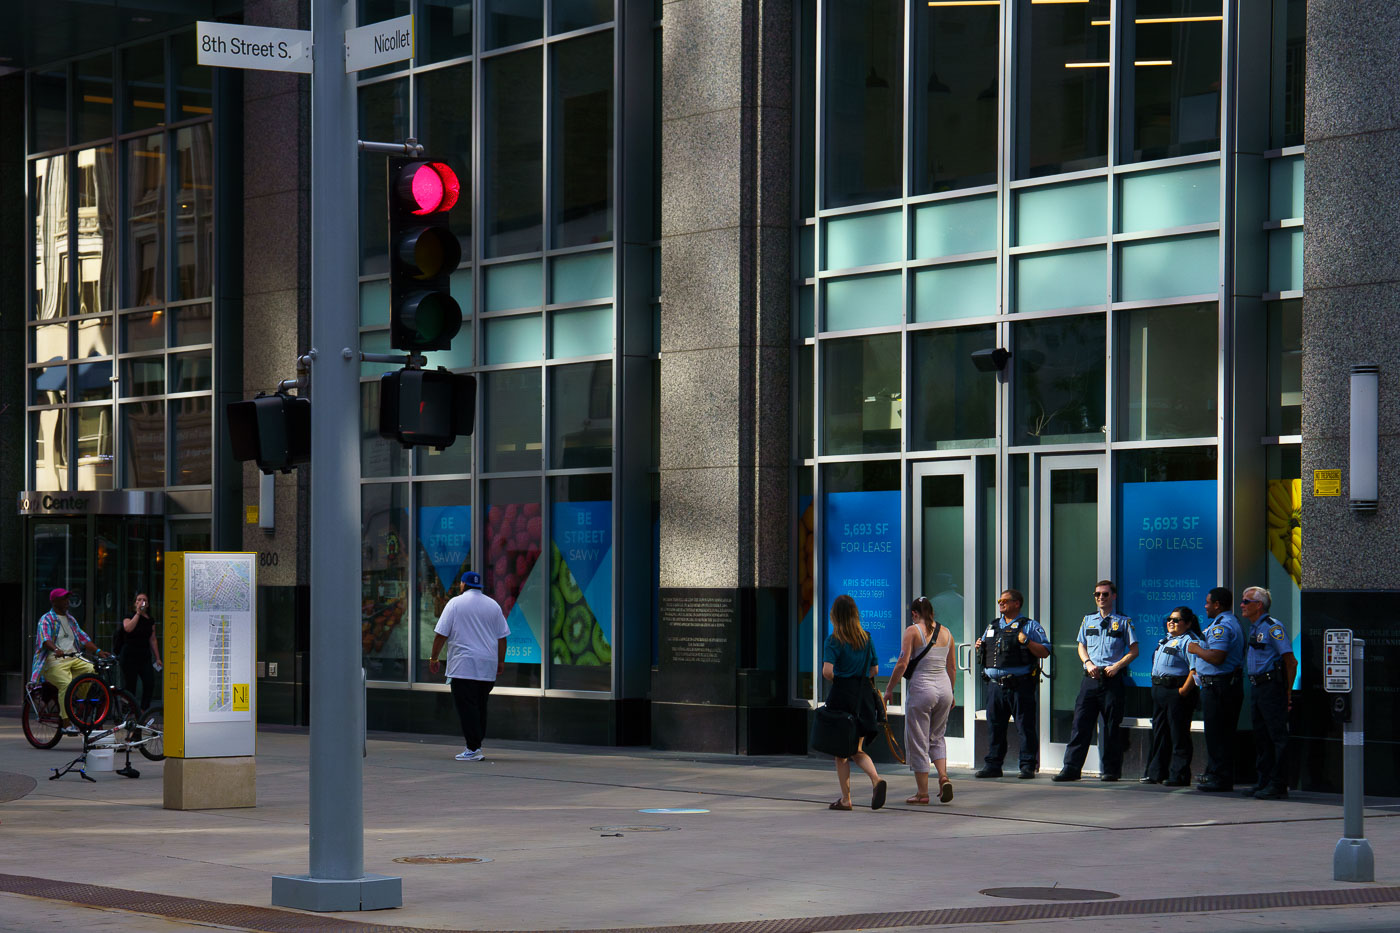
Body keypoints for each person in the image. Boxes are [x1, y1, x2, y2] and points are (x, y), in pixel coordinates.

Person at [1054, 580, 1138, 782]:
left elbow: (1134, 650)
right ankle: (1071, 768)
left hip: (1111, 679)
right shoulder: (1088, 620)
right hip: (1091, 679)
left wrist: (1117, 666)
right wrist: (1088, 663)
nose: (1101, 598)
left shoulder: (1123, 621)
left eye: (1105, 594)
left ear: (1113, 597)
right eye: (1097, 594)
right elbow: (1081, 645)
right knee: (1080, 724)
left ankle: (1110, 771)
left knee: (1111, 727)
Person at [429, 571, 509, 762]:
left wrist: (433, 658)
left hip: (463, 666)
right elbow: (502, 637)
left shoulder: (455, 604)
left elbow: (441, 634)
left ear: (463, 585)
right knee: (480, 705)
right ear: (479, 586)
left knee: (467, 708)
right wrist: (500, 661)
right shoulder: (493, 605)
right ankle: (476, 743)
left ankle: (473, 748)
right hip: (487, 666)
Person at [885, 596, 956, 804]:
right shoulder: (947, 633)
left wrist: (889, 690)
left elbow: (902, 663)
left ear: (915, 613)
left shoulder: (912, 631)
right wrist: (952, 693)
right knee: (937, 737)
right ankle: (943, 777)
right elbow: (951, 667)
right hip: (944, 689)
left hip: (922, 690)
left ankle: (922, 793)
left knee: (918, 740)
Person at [975, 588, 1049, 779]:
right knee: (994, 726)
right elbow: (984, 646)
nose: (1001, 603)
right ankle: (993, 765)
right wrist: (979, 646)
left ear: (1017, 603)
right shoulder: (992, 626)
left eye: (1005, 600)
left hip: (1019, 685)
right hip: (994, 686)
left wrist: (1026, 642)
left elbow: (1045, 651)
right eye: (999, 600)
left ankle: (1027, 766)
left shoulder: (1030, 626)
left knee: (1025, 726)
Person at [821, 594, 887, 811]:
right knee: (856, 748)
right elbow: (875, 670)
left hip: (842, 698)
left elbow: (827, 672)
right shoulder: (866, 638)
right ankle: (876, 780)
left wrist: (842, 676)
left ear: (835, 616)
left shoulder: (833, 641)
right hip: (863, 697)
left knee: (841, 753)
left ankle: (846, 799)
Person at [1239, 586, 1297, 800]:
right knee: (1261, 736)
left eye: (1246, 601)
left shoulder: (1273, 627)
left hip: (1272, 687)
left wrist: (1288, 692)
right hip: (1257, 687)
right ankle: (1263, 780)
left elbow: (1291, 661)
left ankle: (1278, 783)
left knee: (1276, 737)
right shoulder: (1254, 628)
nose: (1242, 605)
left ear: (1259, 605)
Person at [1185, 586, 1244, 792]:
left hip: (1219, 687)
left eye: (1208, 602)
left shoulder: (1222, 626)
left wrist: (1196, 649)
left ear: (1217, 605)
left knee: (1218, 733)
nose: (1205, 606)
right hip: (1219, 686)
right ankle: (1215, 773)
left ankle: (1220, 778)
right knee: (1218, 733)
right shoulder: (1224, 623)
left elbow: (1218, 657)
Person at [1140, 606, 1203, 786]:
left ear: (1188, 623)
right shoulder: (1166, 640)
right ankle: (1156, 773)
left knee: (1179, 735)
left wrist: (1183, 691)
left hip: (1177, 691)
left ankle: (1179, 775)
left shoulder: (1190, 641)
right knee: (1160, 733)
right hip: (1160, 691)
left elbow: (1196, 669)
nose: (1171, 622)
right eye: (1169, 619)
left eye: (1176, 620)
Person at [30, 588, 106, 730]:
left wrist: (98, 651)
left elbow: (84, 638)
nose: (67, 602)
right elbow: (45, 639)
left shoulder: (71, 619)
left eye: (67, 598)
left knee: (92, 670)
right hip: (53, 660)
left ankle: (78, 703)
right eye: (64, 599)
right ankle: (65, 721)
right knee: (66, 684)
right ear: (54, 602)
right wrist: (56, 649)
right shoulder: (46, 619)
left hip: (73, 658)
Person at [116, 592, 162, 711]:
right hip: (129, 655)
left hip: (144, 656)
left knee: (149, 683)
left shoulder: (150, 620)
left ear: (148, 604)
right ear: (135, 603)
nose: (142, 602)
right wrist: (138, 613)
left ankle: (143, 711)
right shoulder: (129, 616)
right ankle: (128, 711)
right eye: (139, 600)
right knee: (130, 685)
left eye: (144, 600)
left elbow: (153, 639)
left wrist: (157, 657)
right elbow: (128, 628)